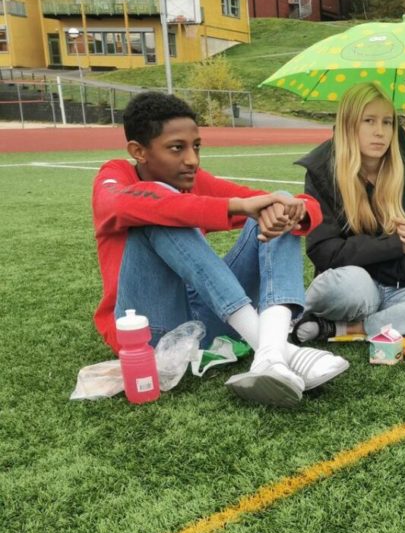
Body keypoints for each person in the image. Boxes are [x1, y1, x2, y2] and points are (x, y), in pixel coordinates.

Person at [91, 91, 348, 407]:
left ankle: (270, 351)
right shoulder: (115, 175)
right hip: (148, 333)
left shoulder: (193, 180)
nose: (192, 160)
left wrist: (296, 209)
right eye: (177, 148)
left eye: (196, 146)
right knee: (158, 212)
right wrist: (236, 206)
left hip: (209, 324)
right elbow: (123, 203)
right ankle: (284, 352)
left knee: (279, 205)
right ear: (139, 151)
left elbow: (285, 202)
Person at [293, 82, 405, 344]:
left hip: (400, 288)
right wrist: (395, 245)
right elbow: (323, 251)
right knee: (356, 290)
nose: (380, 132)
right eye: (369, 121)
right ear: (349, 125)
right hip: (349, 284)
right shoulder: (323, 171)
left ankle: (348, 328)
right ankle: (381, 319)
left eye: (387, 122)